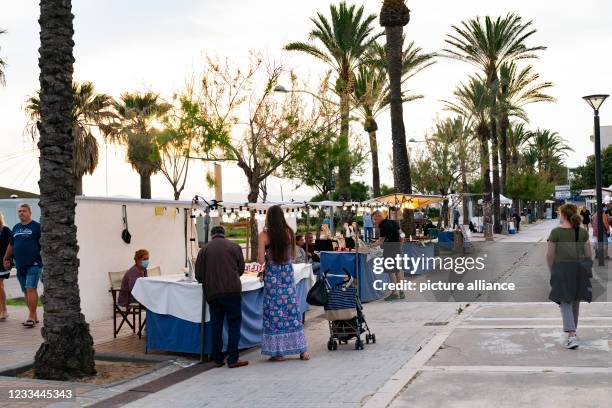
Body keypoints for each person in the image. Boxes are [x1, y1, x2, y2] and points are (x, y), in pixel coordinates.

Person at [258, 205, 309, 361]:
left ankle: (278, 352)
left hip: (273, 278)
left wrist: (268, 257)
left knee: (274, 313)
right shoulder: (289, 233)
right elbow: (292, 256)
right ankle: (302, 350)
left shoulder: (264, 235)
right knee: (291, 312)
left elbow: (260, 260)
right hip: (286, 277)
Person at [195, 226, 248, 368]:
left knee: (216, 325)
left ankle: (217, 358)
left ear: (212, 235)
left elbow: (198, 276)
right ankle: (233, 358)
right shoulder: (235, 247)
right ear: (224, 234)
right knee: (234, 324)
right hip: (232, 291)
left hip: (212, 293)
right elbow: (241, 269)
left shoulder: (203, 250)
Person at [547, 203, 592, 349]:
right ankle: (573, 333)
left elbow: (550, 255)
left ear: (563, 215)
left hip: (562, 270)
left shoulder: (556, 232)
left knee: (565, 302)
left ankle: (572, 335)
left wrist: (552, 270)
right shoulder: (582, 232)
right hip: (578, 270)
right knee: (575, 302)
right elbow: (588, 255)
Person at [3, 204, 41, 328]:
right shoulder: (16, 227)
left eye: (24, 211)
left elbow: (44, 245)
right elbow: (11, 245)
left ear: (30, 212)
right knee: (25, 291)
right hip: (20, 265)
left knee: (31, 288)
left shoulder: (37, 227)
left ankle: (30, 316)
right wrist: (6, 257)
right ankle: (34, 316)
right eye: (19, 211)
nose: (21, 213)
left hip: (34, 263)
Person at [372, 210, 403, 301]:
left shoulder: (383, 226)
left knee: (391, 271)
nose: (375, 221)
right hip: (397, 247)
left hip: (389, 249)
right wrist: (400, 246)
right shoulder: (393, 222)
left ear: (379, 216)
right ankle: (401, 292)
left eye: (375, 219)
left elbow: (381, 241)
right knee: (397, 271)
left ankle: (394, 293)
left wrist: (370, 246)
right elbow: (402, 235)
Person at [0, 212, 11, 322]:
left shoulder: (5, 230)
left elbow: (12, 245)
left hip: (2, 262)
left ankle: (4, 310)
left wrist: (8, 260)